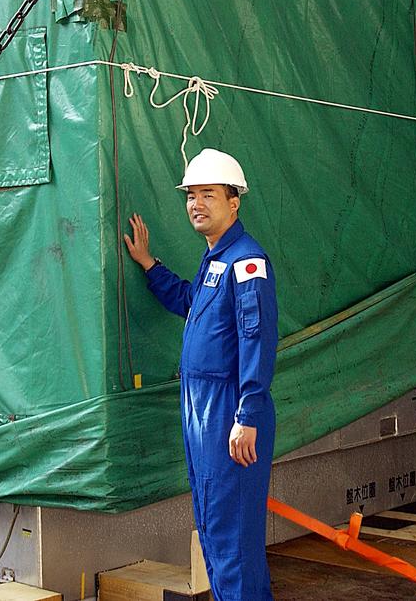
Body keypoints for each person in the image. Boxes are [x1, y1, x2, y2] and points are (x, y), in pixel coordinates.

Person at [124, 148, 278, 601]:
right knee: (214, 526)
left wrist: (247, 414)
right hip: (203, 412)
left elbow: (256, 339)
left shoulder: (248, 262)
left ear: (235, 202)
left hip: (229, 412)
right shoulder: (215, 260)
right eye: (191, 195)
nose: (196, 204)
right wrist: (149, 264)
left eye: (208, 194)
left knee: (232, 536)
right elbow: (194, 302)